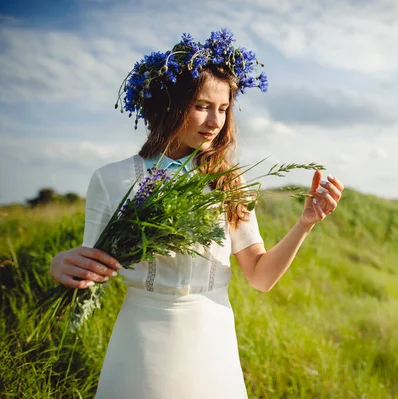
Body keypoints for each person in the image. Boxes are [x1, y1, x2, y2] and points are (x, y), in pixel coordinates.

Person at [49, 29, 344, 399]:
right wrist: (62, 265)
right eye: (202, 106)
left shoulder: (229, 182)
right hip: (142, 340)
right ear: (169, 105)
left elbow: (261, 277)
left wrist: (305, 223)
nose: (215, 121)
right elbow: (90, 270)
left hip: (213, 338)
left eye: (223, 109)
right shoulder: (112, 178)